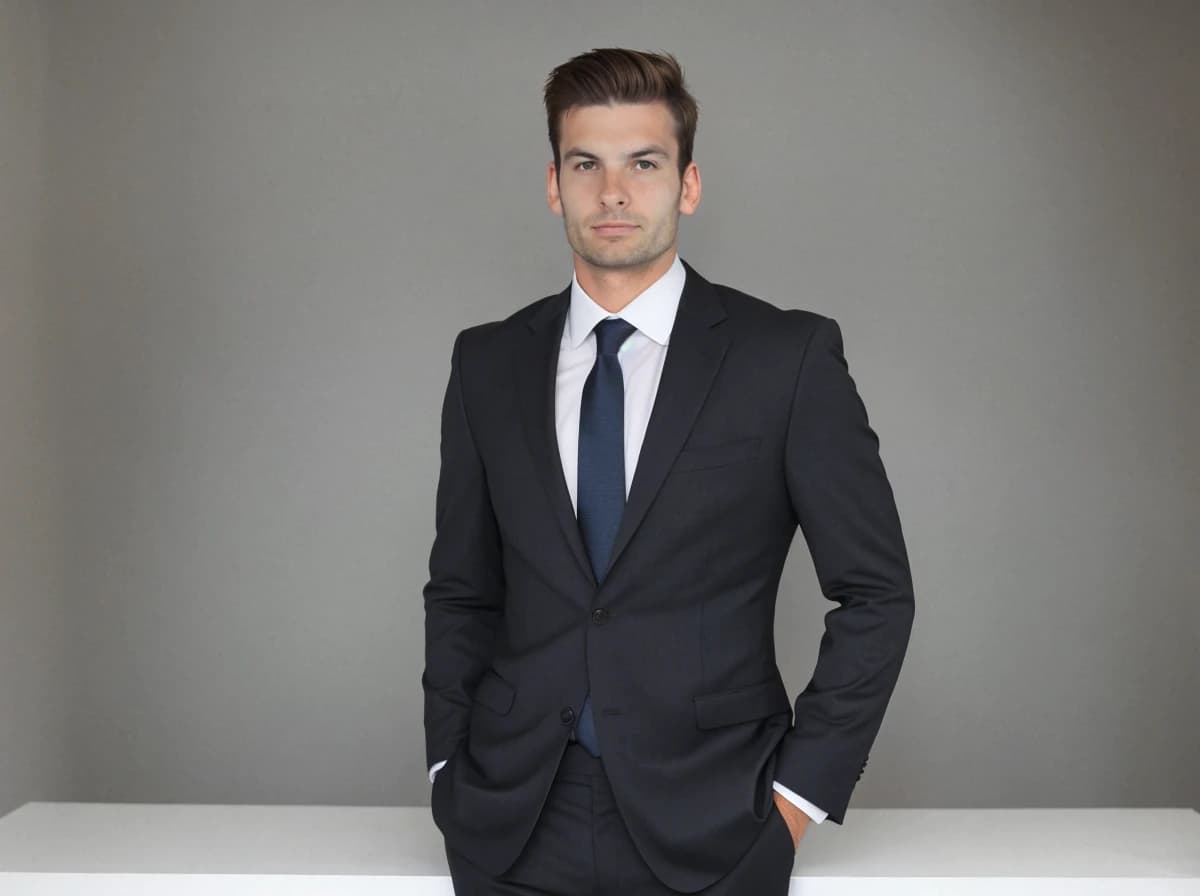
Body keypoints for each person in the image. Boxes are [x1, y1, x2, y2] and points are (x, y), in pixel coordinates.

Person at [422, 47, 915, 896]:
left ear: (688, 184)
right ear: (554, 184)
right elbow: (463, 590)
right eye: (588, 164)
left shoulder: (785, 360)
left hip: (719, 820)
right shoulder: (487, 364)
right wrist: (446, 769)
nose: (613, 193)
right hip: (509, 821)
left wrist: (797, 798)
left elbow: (875, 593)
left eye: (643, 164)